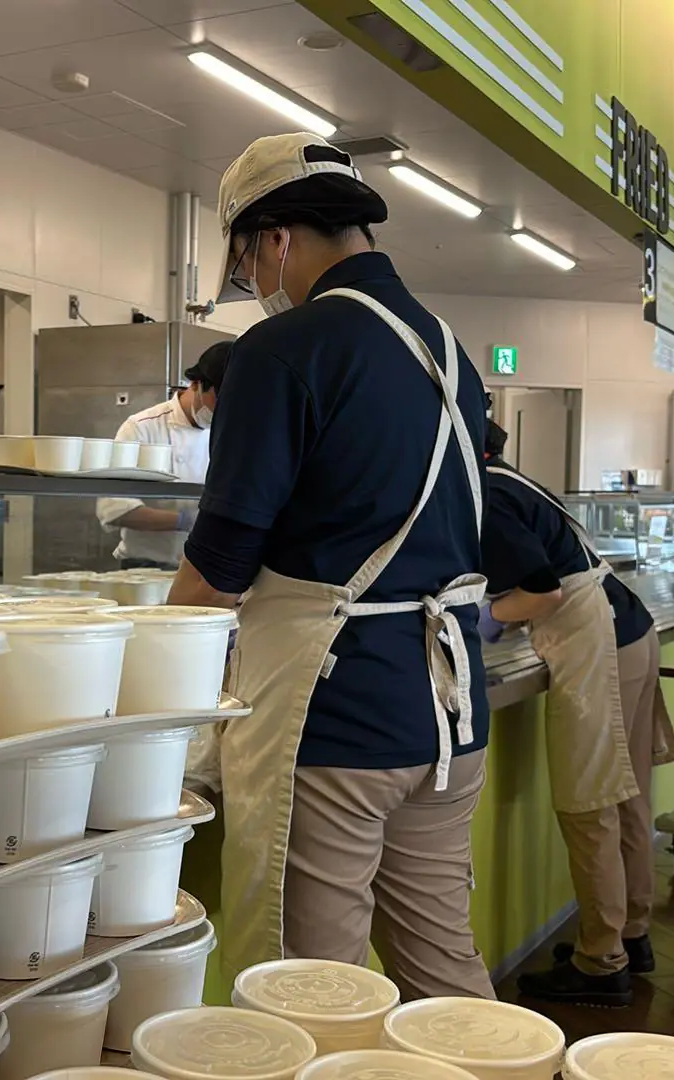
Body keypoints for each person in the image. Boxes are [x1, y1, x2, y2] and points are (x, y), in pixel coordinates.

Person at [166, 132, 491, 999]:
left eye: (246, 260)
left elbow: (222, 564)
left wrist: (145, 671)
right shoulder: (453, 353)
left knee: (304, 988)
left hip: (334, 718)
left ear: (275, 238)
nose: (254, 281)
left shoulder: (286, 348)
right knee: (442, 972)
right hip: (447, 718)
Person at [477, 420, 674, 1006]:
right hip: (630, 629)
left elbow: (543, 591)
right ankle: (631, 933)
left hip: (597, 641)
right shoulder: (513, 480)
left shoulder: (485, 496)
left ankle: (601, 962)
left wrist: (486, 618)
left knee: (589, 802)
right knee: (627, 793)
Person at [96, 340, 233, 569]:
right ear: (196, 384)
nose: (223, 411)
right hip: (145, 566)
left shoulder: (231, 432)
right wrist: (184, 521)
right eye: (219, 400)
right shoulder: (142, 427)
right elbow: (115, 509)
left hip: (205, 568)